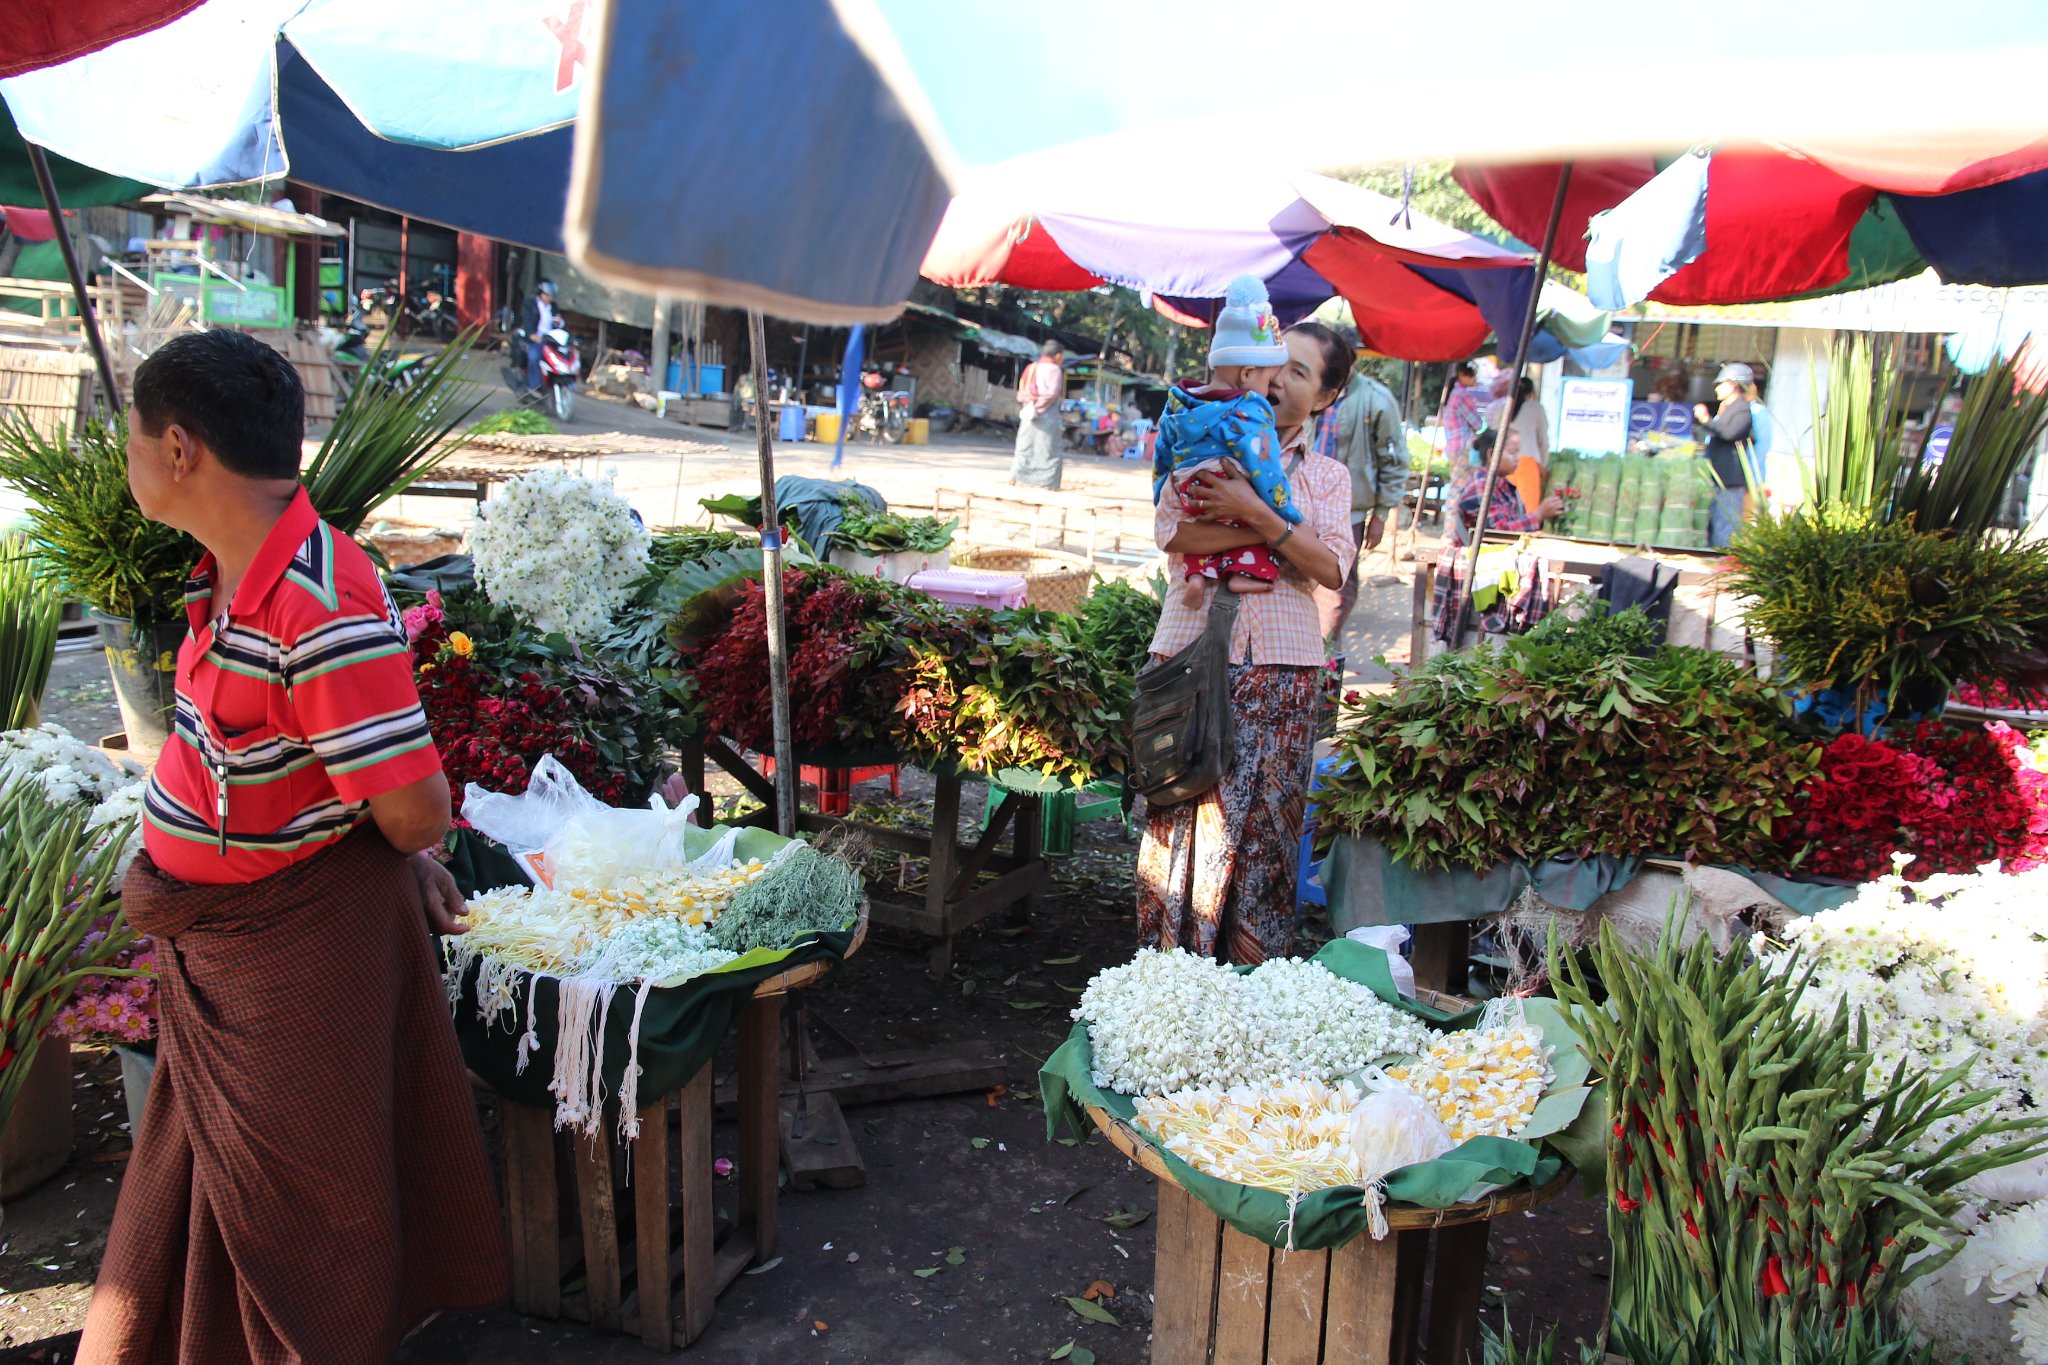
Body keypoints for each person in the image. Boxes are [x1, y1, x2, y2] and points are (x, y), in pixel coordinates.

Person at [79, 331, 509, 1361]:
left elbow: (415, 814)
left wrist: (404, 855)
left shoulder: (319, 608)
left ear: (179, 449)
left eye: (132, 440)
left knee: (304, 1241)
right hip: (230, 950)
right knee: (233, 1217)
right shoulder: (235, 576)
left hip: (291, 961)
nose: (129, 460)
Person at [1136, 320, 1355, 966]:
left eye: (1299, 372)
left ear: (1325, 397)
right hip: (1187, 659)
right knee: (1178, 828)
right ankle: (1167, 987)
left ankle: (1250, 992)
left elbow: (1331, 567)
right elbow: (1174, 534)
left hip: (1283, 673)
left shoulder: (1328, 476)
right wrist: (1278, 533)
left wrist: (1251, 510)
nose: (1278, 379)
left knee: (1263, 840)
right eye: (1275, 363)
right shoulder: (1199, 439)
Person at [1153, 276, 1297, 602]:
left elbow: (1162, 452)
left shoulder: (1180, 400)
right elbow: (1263, 459)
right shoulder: (1249, 409)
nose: (1269, 390)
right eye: (1268, 381)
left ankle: (1196, 576)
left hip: (1189, 485)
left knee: (1199, 523)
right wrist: (1281, 506)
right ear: (1247, 374)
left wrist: (1161, 488)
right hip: (1228, 481)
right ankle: (1243, 574)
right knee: (1247, 523)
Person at [1327, 365, 1409, 635]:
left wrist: (1381, 514)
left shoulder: (1376, 399)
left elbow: (1394, 462)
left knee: (1340, 587)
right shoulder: (1308, 384)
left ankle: (1328, 648)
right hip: (1300, 508)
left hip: (1349, 512)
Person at [1695, 362, 1755, 547]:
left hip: (1728, 480)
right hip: (1716, 477)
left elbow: (1729, 433)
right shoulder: (1727, 409)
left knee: (1725, 526)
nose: (1717, 389)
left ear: (1734, 385)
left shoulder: (1742, 410)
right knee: (1713, 524)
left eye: (1721, 384)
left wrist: (1706, 419)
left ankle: (1724, 557)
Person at [1486, 375, 1550, 516]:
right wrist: (1543, 465)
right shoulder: (1536, 408)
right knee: (1529, 511)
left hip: (1505, 464)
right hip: (1528, 463)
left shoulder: (1503, 408)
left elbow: (1493, 435)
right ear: (1531, 392)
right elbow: (1543, 441)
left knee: (1507, 509)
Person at [1011, 339, 1067, 489]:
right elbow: (1053, 393)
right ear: (1057, 355)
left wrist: (1032, 404)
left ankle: (1017, 476)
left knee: (1025, 445)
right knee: (1049, 448)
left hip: (1029, 412)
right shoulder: (1055, 370)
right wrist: (1040, 405)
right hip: (1047, 414)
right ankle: (1048, 483)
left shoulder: (1031, 367)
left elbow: (1021, 392)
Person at [1438, 360, 1485, 469]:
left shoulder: (1453, 392)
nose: (1475, 378)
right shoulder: (1462, 394)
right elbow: (1478, 423)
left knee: (1457, 478)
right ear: (1462, 375)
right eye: (1473, 375)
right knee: (1463, 479)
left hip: (1453, 446)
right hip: (1463, 447)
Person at [517, 276, 561, 392]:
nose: (549, 298)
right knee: (534, 356)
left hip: (551, 340)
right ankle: (534, 387)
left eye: (551, 296)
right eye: (547, 295)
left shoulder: (553, 306)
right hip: (537, 339)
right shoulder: (530, 304)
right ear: (540, 293)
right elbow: (528, 324)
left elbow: (559, 324)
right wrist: (535, 337)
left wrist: (559, 322)